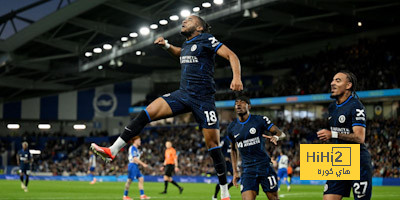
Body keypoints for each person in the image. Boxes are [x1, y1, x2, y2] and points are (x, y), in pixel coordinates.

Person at [91, 14, 243, 200]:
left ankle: (224, 192)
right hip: (183, 94)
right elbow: (181, 53)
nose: (184, 21)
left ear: (200, 27)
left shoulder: (206, 39)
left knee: (213, 145)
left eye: (190, 19)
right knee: (146, 113)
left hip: (203, 99)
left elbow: (231, 55)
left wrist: (236, 77)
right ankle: (112, 151)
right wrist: (166, 46)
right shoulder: (187, 44)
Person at [317, 71, 372, 200]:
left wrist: (333, 134)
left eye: (337, 80)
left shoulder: (355, 105)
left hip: (357, 160)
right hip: (339, 160)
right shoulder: (332, 107)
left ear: (348, 85)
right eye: (332, 80)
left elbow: (360, 137)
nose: (332, 83)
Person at [228, 96, 286, 200]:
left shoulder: (259, 120)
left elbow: (281, 134)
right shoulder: (232, 127)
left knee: (274, 198)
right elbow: (233, 149)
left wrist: (276, 137)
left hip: (265, 167)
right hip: (247, 170)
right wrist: (235, 171)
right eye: (236, 103)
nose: (238, 104)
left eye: (242, 102)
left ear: (249, 106)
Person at [212, 135, 236, 200]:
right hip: (223, 163)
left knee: (237, 177)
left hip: (230, 163)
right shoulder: (224, 140)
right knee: (222, 179)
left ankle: (226, 190)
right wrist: (223, 158)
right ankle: (215, 196)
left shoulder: (233, 141)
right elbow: (218, 149)